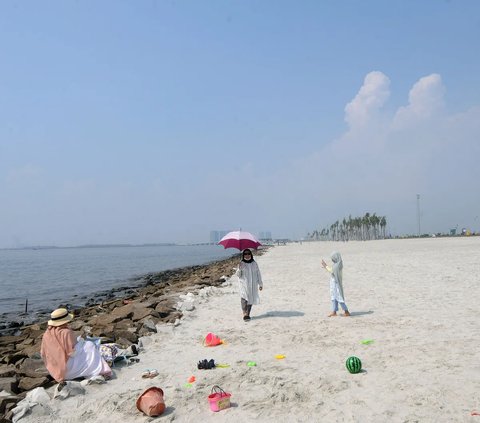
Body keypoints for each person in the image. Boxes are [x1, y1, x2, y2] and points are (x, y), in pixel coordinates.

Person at [40, 308, 112, 382]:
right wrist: (82, 342)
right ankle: (100, 370)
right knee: (89, 345)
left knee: (85, 346)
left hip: (54, 371)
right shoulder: (66, 332)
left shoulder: (46, 334)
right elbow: (72, 353)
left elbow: (43, 353)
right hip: (67, 371)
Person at [236, 249, 263, 321]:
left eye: (248, 254)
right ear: (243, 255)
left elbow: (258, 274)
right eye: (245, 254)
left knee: (250, 299)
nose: (247, 255)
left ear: (251, 254)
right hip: (244, 284)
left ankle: (248, 314)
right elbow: (238, 275)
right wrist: (239, 268)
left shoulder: (254, 263)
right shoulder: (241, 263)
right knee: (244, 298)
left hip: (253, 284)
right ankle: (244, 313)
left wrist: (260, 284)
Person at [321, 252, 350, 317]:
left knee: (339, 298)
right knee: (334, 297)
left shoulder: (337, 266)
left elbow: (332, 271)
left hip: (337, 284)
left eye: (333, 258)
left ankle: (346, 311)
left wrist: (325, 266)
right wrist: (326, 266)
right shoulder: (337, 264)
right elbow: (332, 270)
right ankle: (334, 311)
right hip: (334, 283)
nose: (332, 260)